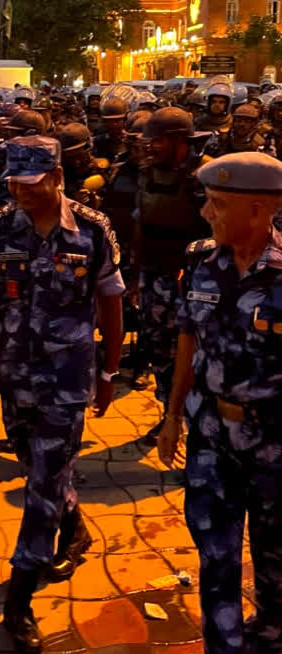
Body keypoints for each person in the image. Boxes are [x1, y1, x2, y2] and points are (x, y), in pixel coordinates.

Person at [0, 136, 124, 654]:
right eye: (13, 181)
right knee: (39, 468)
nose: (19, 191)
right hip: (14, 378)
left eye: (30, 183)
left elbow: (110, 300)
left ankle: (19, 594)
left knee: (43, 484)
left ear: (56, 177)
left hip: (67, 379)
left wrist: (110, 370)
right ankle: (73, 526)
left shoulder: (93, 231)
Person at [157, 152, 282, 654]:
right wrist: (171, 415)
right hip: (212, 437)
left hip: (276, 445)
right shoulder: (203, 261)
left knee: (277, 569)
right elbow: (189, 334)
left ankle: (269, 637)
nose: (207, 213)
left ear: (259, 210)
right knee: (216, 564)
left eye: (218, 204)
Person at [131, 108, 210, 436]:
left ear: (180, 142)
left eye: (158, 141)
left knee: (193, 356)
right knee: (158, 349)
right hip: (154, 277)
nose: (151, 147)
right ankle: (170, 415)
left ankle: (198, 430)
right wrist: (135, 277)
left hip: (191, 285)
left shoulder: (204, 177)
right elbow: (140, 223)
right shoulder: (147, 174)